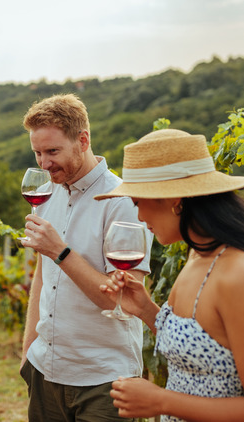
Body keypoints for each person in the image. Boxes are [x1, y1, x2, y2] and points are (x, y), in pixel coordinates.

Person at [95, 129, 244, 421]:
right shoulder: (198, 254)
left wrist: (161, 400)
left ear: (175, 199)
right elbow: (207, 350)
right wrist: (146, 310)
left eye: (137, 202)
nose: (139, 217)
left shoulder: (241, 276)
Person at [18, 94, 153, 422]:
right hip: (45, 370)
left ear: (83, 140)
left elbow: (122, 300)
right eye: (37, 153)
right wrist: (28, 351)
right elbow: (43, 271)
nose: (44, 164)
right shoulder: (46, 194)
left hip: (103, 380)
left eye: (52, 151)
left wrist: (60, 252)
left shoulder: (122, 202)